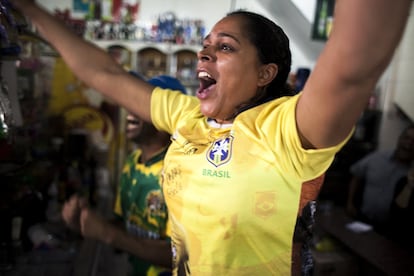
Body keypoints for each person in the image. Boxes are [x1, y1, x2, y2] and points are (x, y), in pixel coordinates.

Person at [13, 0, 412, 274]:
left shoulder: (286, 129)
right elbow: (106, 75)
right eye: (205, 47)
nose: (204, 55)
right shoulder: (188, 116)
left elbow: (352, 66)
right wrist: (29, 8)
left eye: (224, 48)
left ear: (264, 74)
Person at [62, 74, 186, 276]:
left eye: (141, 104)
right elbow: (125, 228)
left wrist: (108, 234)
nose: (130, 110)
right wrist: (87, 224)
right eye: (131, 102)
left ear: (169, 117)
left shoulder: (181, 172)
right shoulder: (132, 162)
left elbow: (180, 256)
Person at [346, 124, 414, 234]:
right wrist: (350, 202)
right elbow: (356, 173)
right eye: (406, 138)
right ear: (399, 139)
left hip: (391, 231)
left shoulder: (411, 173)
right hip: (363, 220)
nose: (409, 143)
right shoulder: (378, 157)